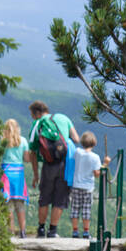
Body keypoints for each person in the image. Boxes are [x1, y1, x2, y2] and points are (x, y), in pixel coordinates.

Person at [28, 100, 80, 238]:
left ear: (37, 113)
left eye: (32, 115)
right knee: (60, 198)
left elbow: (32, 151)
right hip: (65, 164)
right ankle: (53, 231)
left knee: (44, 197)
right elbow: (76, 138)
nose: (32, 118)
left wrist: (35, 174)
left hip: (48, 165)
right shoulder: (63, 118)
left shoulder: (38, 123)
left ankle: (40, 229)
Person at [69, 132, 111, 238]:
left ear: (82, 142)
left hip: (76, 186)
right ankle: (86, 232)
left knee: (75, 209)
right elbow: (97, 174)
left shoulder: (77, 152)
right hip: (88, 188)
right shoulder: (95, 157)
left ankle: (75, 231)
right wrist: (105, 164)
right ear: (94, 143)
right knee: (86, 210)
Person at [0, 119, 32, 236]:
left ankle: (11, 231)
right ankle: (23, 231)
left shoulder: (2, 141)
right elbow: (27, 159)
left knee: (8, 205)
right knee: (20, 205)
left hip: (6, 174)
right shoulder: (23, 141)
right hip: (18, 174)